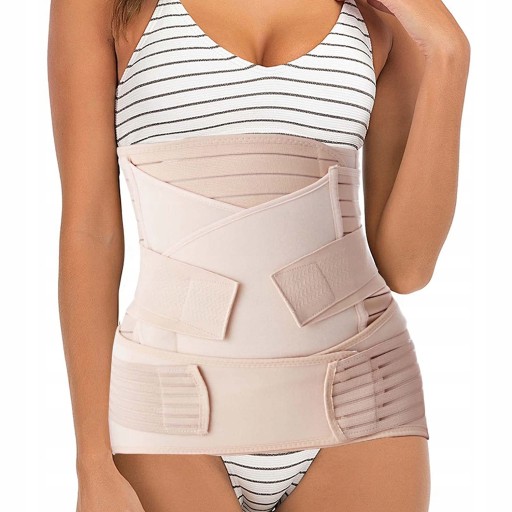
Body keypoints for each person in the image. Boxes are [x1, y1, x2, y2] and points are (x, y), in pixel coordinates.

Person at [47, 1, 470, 511]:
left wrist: (449, 53)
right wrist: (93, 462)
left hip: (361, 402)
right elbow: (90, 229)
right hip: (171, 403)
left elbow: (407, 267)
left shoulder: (384, 12)